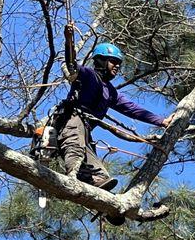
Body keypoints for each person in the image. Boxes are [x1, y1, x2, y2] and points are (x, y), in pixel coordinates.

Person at [59, 24, 174, 191]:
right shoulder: (88, 75)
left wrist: (161, 121)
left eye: (119, 63)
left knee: (101, 176)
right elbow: (71, 66)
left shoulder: (111, 92)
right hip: (71, 122)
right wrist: (69, 41)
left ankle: (104, 204)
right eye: (113, 61)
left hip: (85, 131)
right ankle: (72, 177)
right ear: (101, 61)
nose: (117, 66)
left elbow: (133, 109)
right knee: (76, 152)